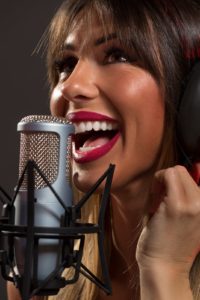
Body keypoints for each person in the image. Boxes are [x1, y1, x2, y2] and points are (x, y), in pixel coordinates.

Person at [7, 0, 200, 299]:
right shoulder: (42, 278)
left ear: (193, 96)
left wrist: (166, 270)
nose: (70, 86)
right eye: (66, 65)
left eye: (117, 55)